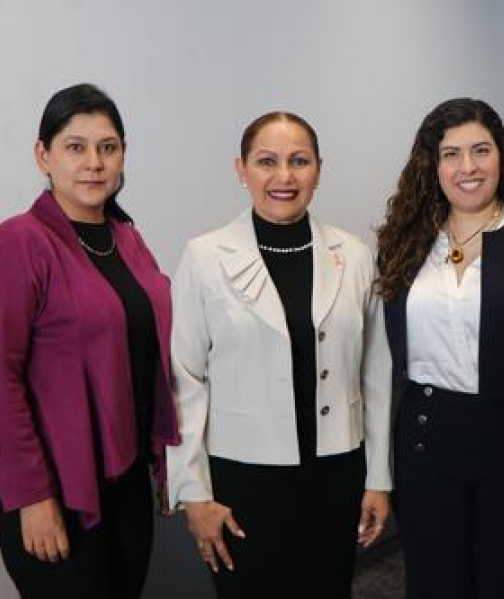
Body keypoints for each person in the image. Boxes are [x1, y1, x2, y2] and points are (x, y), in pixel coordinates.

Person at [166, 111, 392, 599]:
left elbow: (377, 375)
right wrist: (193, 493)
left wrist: (378, 479)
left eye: (299, 161)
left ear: (318, 170)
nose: (284, 176)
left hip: (336, 473)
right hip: (241, 480)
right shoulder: (204, 257)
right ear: (241, 169)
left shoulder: (355, 255)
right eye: (267, 161)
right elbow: (184, 381)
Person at [0, 83, 179, 598]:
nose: (94, 163)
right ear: (43, 155)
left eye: (108, 147)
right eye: (75, 147)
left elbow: (150, 356)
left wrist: (164, 462)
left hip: (127, 481)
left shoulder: (127, 238)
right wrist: (31, 496)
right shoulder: (18, 242)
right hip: (56, 490)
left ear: (123, 155)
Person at [375, 98, 504, 598]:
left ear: (502, 156)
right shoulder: (405, 238)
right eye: (451, 154)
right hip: (424, 444)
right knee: (434, 585)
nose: (467, 167)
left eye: (480, 150)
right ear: (432, 164)